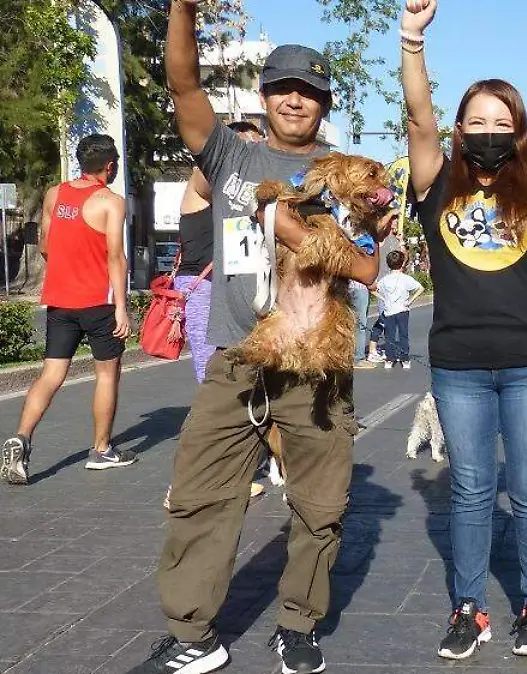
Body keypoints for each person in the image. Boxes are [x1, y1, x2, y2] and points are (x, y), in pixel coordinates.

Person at [129, 2, 384, 673]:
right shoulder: (231, 155)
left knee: (321, 506)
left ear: (324, 103)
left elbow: (367, 262)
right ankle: (194, 635)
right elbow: (184, 84)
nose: (296, 99)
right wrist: (183, 8)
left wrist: (312, 231)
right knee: (199, 498)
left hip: (315, 365)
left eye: (310, 91)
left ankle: (298, 625)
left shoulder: (348, 172)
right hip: (236, 357)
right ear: (265, 96)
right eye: (283, 88)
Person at [400, 0, 527, 661]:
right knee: (471, 489)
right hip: (459, 364)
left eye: (502, 122)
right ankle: (468, 608)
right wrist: (412, 39)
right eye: (477, 120)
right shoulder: (437, 182)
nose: (489, 131)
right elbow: (419, 117)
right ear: (459, 129)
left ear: (521, 131)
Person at [0, 134, 133, 485]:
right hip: (98, 303)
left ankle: (21, 438)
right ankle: (102, 450)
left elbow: (46, 246)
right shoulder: (110, 201)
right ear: (109, 166)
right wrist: (122, 307)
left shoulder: (55, 195)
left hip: (59, 301)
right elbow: (116, 258)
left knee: (51, 375)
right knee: (107, 374)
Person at [174, 121, 266, 384]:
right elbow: (215, 175)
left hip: (241, 286)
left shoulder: (248, 194)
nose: (252, 150)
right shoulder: (203, 174)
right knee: (213, 375)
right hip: (205, 286)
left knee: (251, 373)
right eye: (246, 143)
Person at [374, 249, 424, 369]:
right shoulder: (406, 278)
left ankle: (389, 360)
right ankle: (405, 359)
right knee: (403, 334)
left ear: (388, 264)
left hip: (389, 311)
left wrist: (383, 298)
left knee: (389, 336)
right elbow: (420, 288)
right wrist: (410, 301)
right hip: (403, 310)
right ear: (402, 264)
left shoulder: (384, 280)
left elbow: (372, 288)